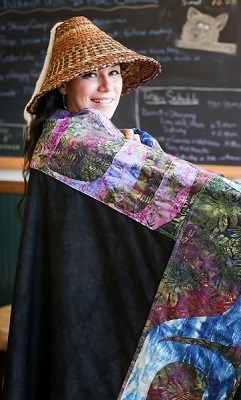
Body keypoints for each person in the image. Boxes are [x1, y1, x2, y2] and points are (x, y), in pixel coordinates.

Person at [2, 16, 241, 400]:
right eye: (90, 75)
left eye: (113, 73)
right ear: (64, 83)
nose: (106, 87)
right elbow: (181, 191)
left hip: (85, 293)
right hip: (89, 303)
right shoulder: (77, 141)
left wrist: (137, 148)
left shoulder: (67, 134)